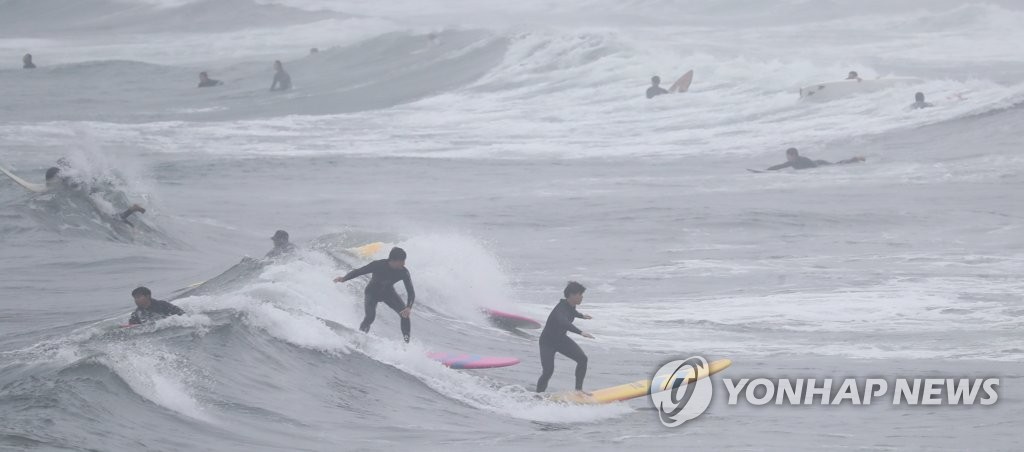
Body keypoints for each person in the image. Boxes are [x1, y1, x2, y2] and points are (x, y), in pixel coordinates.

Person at [333, 247, 415, 343]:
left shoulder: (403, 272)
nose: (404, 264)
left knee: (405, 315)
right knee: (370, 317)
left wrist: (409, 307)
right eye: (401, 261)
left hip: (388, 293)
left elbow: (411, 292)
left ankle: (406, 342)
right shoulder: (378, 265)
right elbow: (359, 271)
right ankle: (359, 338)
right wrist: (344, 278)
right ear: (393, 260)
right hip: (372, 292)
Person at [536, 281, 594, 393]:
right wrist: (580, 332)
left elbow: (572, 312)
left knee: (582, 359)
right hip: (547, 343)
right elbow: (564, 322)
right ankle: (538, 395)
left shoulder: (570, 305)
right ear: (572, 295)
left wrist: (581, 316)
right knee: (548, 371)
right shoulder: (559, 310)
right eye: (580, 294)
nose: (582, 297)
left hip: (561, 340)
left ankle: (578, 390)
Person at [44, 166, 146, 223]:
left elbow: (77, 185)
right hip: (94, 189)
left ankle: (133, 209)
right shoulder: (70, 174)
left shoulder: (67, 180)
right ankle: (131, 222)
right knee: (113, 216)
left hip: (93, 195)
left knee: (111, 217)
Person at [763, 148, 865, 171]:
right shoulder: (792, 162)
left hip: (819, 164)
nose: (787, 158)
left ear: (793, 155)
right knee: (836, 164)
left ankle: (855, 159)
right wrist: (767, 170)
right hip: (816, 163)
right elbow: (781, 166)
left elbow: (815, 167)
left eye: (788, 156)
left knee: (837, 165)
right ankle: (855, 158)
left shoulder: (803, 160)